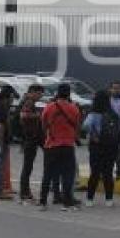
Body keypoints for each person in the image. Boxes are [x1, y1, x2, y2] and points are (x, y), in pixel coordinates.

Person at [40, 83, 81, 211]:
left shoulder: (49, 107)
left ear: (57, 93)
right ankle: (67, 203)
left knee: (48, 174)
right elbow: (78, 128)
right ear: (69, 94)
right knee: (67, 175)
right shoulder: (74, 108)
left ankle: (43, 202)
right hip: (67, 146)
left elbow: (43, 125)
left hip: (51, 145)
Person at [83, 90, 120, 207]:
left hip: (97, 146)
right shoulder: (113, 114)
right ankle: (109, 200)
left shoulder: (93, 113)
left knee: (94, 173)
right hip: (111, 147)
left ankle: (90, 199)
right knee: (108, 173)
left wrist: (93, 135)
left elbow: (85, 126)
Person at [18, 84, 45, 201]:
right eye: (39, 93)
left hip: (30, 138)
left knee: (27, 166)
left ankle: (25, 191)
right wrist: (38, 115)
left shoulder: (27, 101)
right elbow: (24, 115)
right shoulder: (28, 102)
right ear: (32, 92)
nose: (40, 96)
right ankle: (24, 192)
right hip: (30, 138)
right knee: (27, 166)